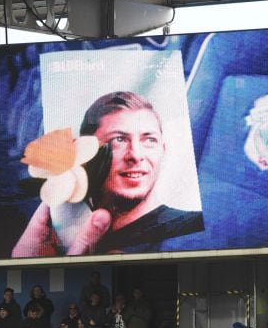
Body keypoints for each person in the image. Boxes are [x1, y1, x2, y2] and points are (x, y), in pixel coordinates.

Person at [12, 91, 204, 256]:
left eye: (149, 140)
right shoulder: (58, 235)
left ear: (163, 149)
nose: (136, 155)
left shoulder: (189, 226)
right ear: (85, 153)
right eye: (118, 140)